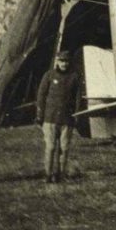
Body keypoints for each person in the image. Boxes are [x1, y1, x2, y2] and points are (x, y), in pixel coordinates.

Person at [35, 50, 81, 183]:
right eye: (61, 61)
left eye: (66, 61)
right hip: (50, 119)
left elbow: (78, 98)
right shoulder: (49, 75)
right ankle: (48, 175)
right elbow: (41, 96)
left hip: (67, 119)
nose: (64, 64)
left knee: (64, 148)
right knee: (50, 147)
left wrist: (76, 115)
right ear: (57, 61)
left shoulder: (74, 77)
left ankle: (61, 174)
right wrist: (40, 115)